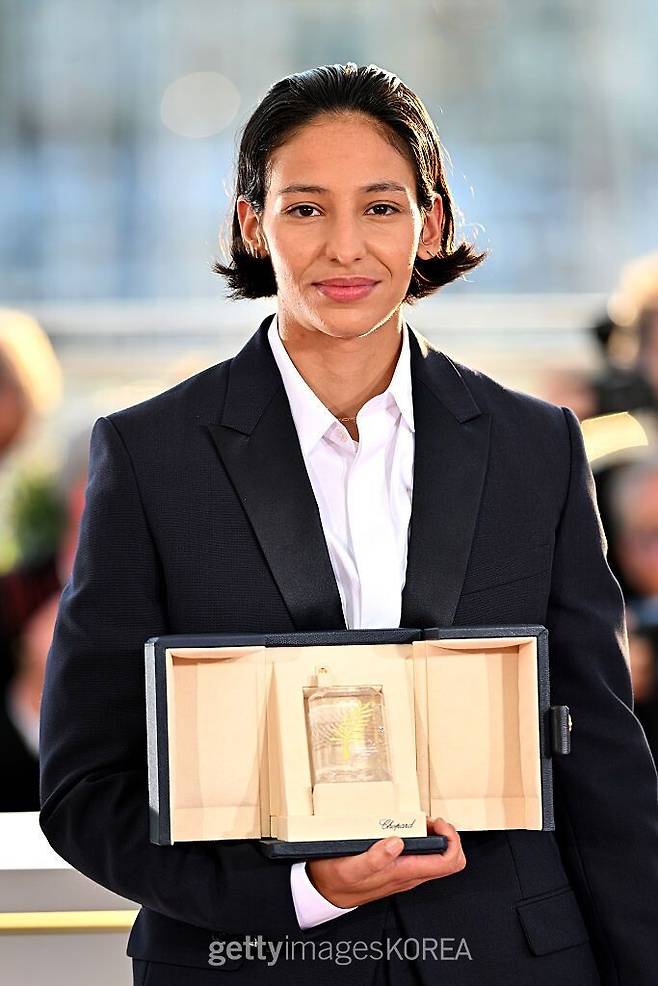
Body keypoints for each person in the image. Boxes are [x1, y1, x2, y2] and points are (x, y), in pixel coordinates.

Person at [38, 63, 658, 986]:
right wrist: (306, 890)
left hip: (512, 960)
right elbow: (86, 788)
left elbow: (603, 757)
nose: (344, 248)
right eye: (303, 208)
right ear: (252, 224)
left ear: (430, 221)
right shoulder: (148, 455)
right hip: (250, 960)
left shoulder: (536, 448)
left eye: (379, 207)